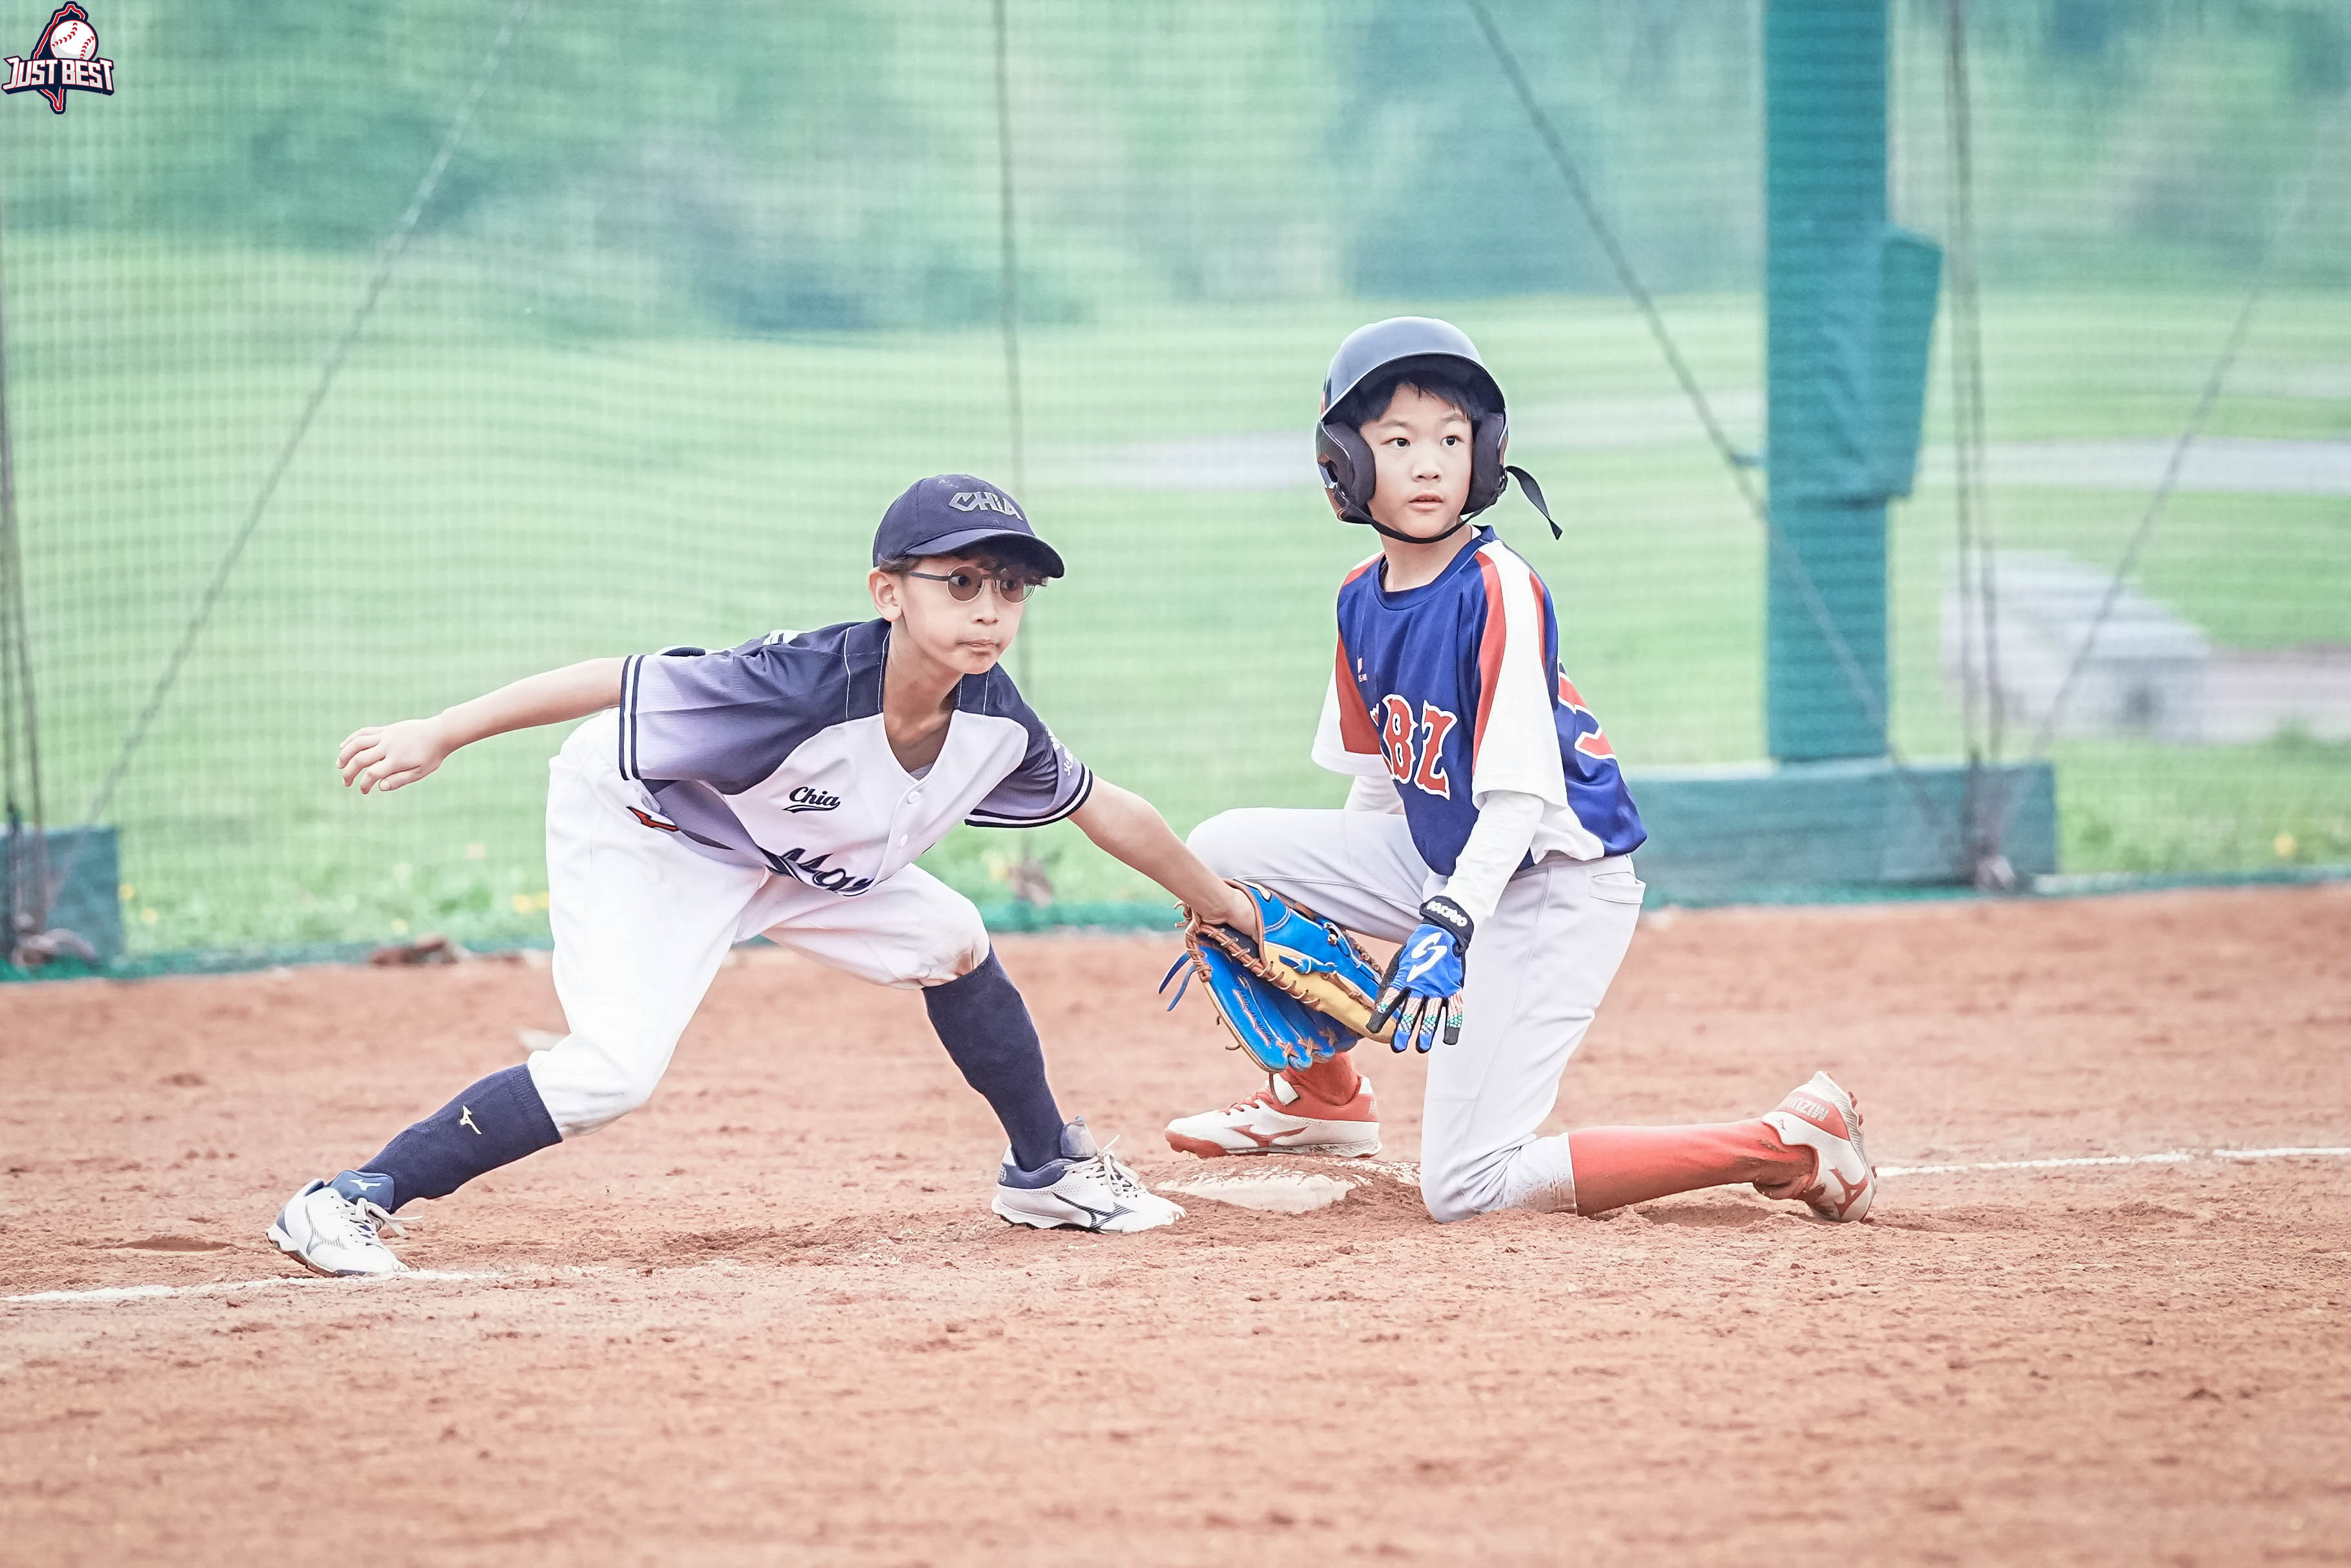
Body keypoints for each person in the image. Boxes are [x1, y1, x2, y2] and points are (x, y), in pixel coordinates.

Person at [270, 474, 1258, 1276]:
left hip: (790, 851)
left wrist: (1223, 906)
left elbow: (1102, 805)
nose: (989, 611)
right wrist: (440, 732)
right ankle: (348, 1200)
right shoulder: (797, 687)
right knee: (612, 1072)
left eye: (1011, 588)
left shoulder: (994, 719)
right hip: (654, 833)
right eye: (959, 582)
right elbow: (614, 679)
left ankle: (1045, 1172)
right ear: (888, 593)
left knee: (951, 937)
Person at [1162, 318, 1876, 1224]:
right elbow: (1381, 783)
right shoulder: (1359, 597)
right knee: (1218, 854)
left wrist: (1446, 924)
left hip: (1552, 887)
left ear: (1487, 455)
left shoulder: (1498, 584)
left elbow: (1517, 801)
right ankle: (1323, 1100)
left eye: (1451, 440)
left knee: (1465, 1187)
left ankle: (1788, 1143)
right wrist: (1343, 910)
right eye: (1398, 442)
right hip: (1456, 869)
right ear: (1345, 460)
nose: (1429, 465)